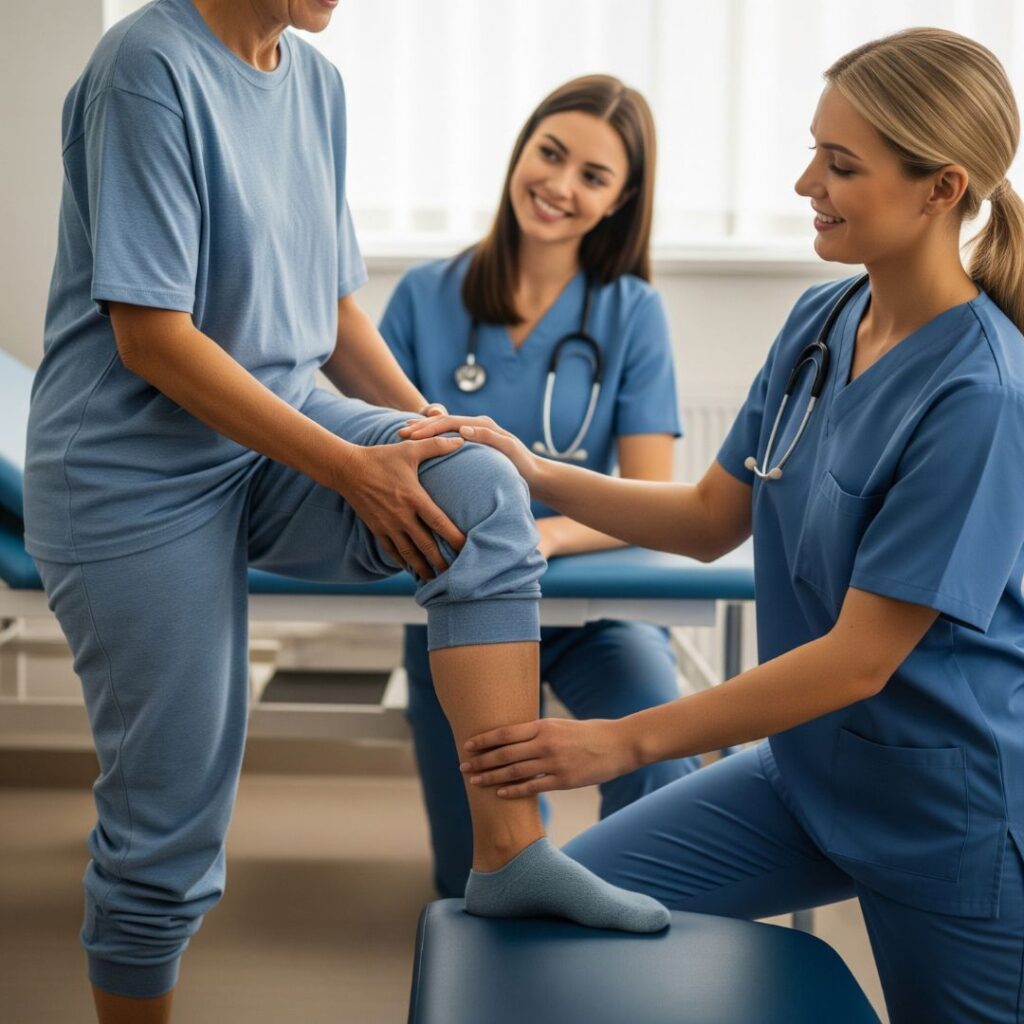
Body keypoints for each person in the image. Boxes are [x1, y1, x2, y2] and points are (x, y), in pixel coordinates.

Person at [24, 2, 668, 1020]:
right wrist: (349, 466)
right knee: (171, 825)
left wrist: (424, 429)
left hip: (283, 432)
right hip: (135, 469)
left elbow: (325, 306)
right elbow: (151, 336)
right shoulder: (147, 65)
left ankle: (507, 851)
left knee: (477, 486)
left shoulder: (314, 84)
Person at [400, 27, 1024, 1024]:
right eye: (814, 147)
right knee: (542, 914)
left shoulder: (982, 393)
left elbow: (860, 660)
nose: (802, 180)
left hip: (940, 811)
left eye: (840, 163)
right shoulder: (820, 324)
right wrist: (532, 470)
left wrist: (618, 744)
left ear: (940, 188)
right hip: (805, 774)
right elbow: (705, 517)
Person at [378, 74, 700, 898]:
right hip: (461, 612)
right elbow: (383, 454)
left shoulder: (631, 312)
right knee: (476, 868)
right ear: (521, 150)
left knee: (662, 760)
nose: (558, 185)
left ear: (619, 201)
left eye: (592, 176)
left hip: (596, 611)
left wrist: (542, 534)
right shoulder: (424, 296)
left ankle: (648, 940)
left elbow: (652, 492)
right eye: (550, 154)